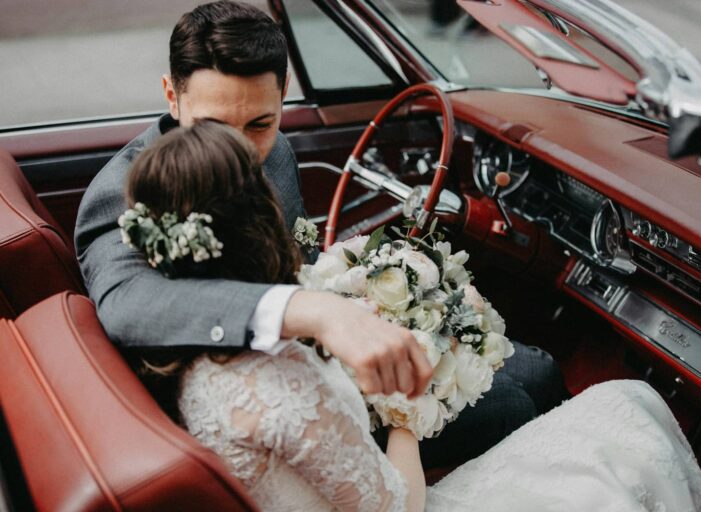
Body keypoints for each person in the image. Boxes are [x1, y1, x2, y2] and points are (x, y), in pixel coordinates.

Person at [125, 121, 701, 512]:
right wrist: (406, 409)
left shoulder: (186, 346)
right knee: (628, 406)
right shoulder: (286, 388)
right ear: (259, 223)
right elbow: (400, 505)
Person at [74, 0, 565, 469]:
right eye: (215, 126)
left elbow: (302, 262)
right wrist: (312, 312)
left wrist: (379, 293)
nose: (245, 153)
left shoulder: (279, 153)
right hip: (270, 401)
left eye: (260, 123)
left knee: (537, 368)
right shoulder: (123, 193)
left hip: (325, 355)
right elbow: (128, 302)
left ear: (283, 90)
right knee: (517, 404)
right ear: (171, 96)